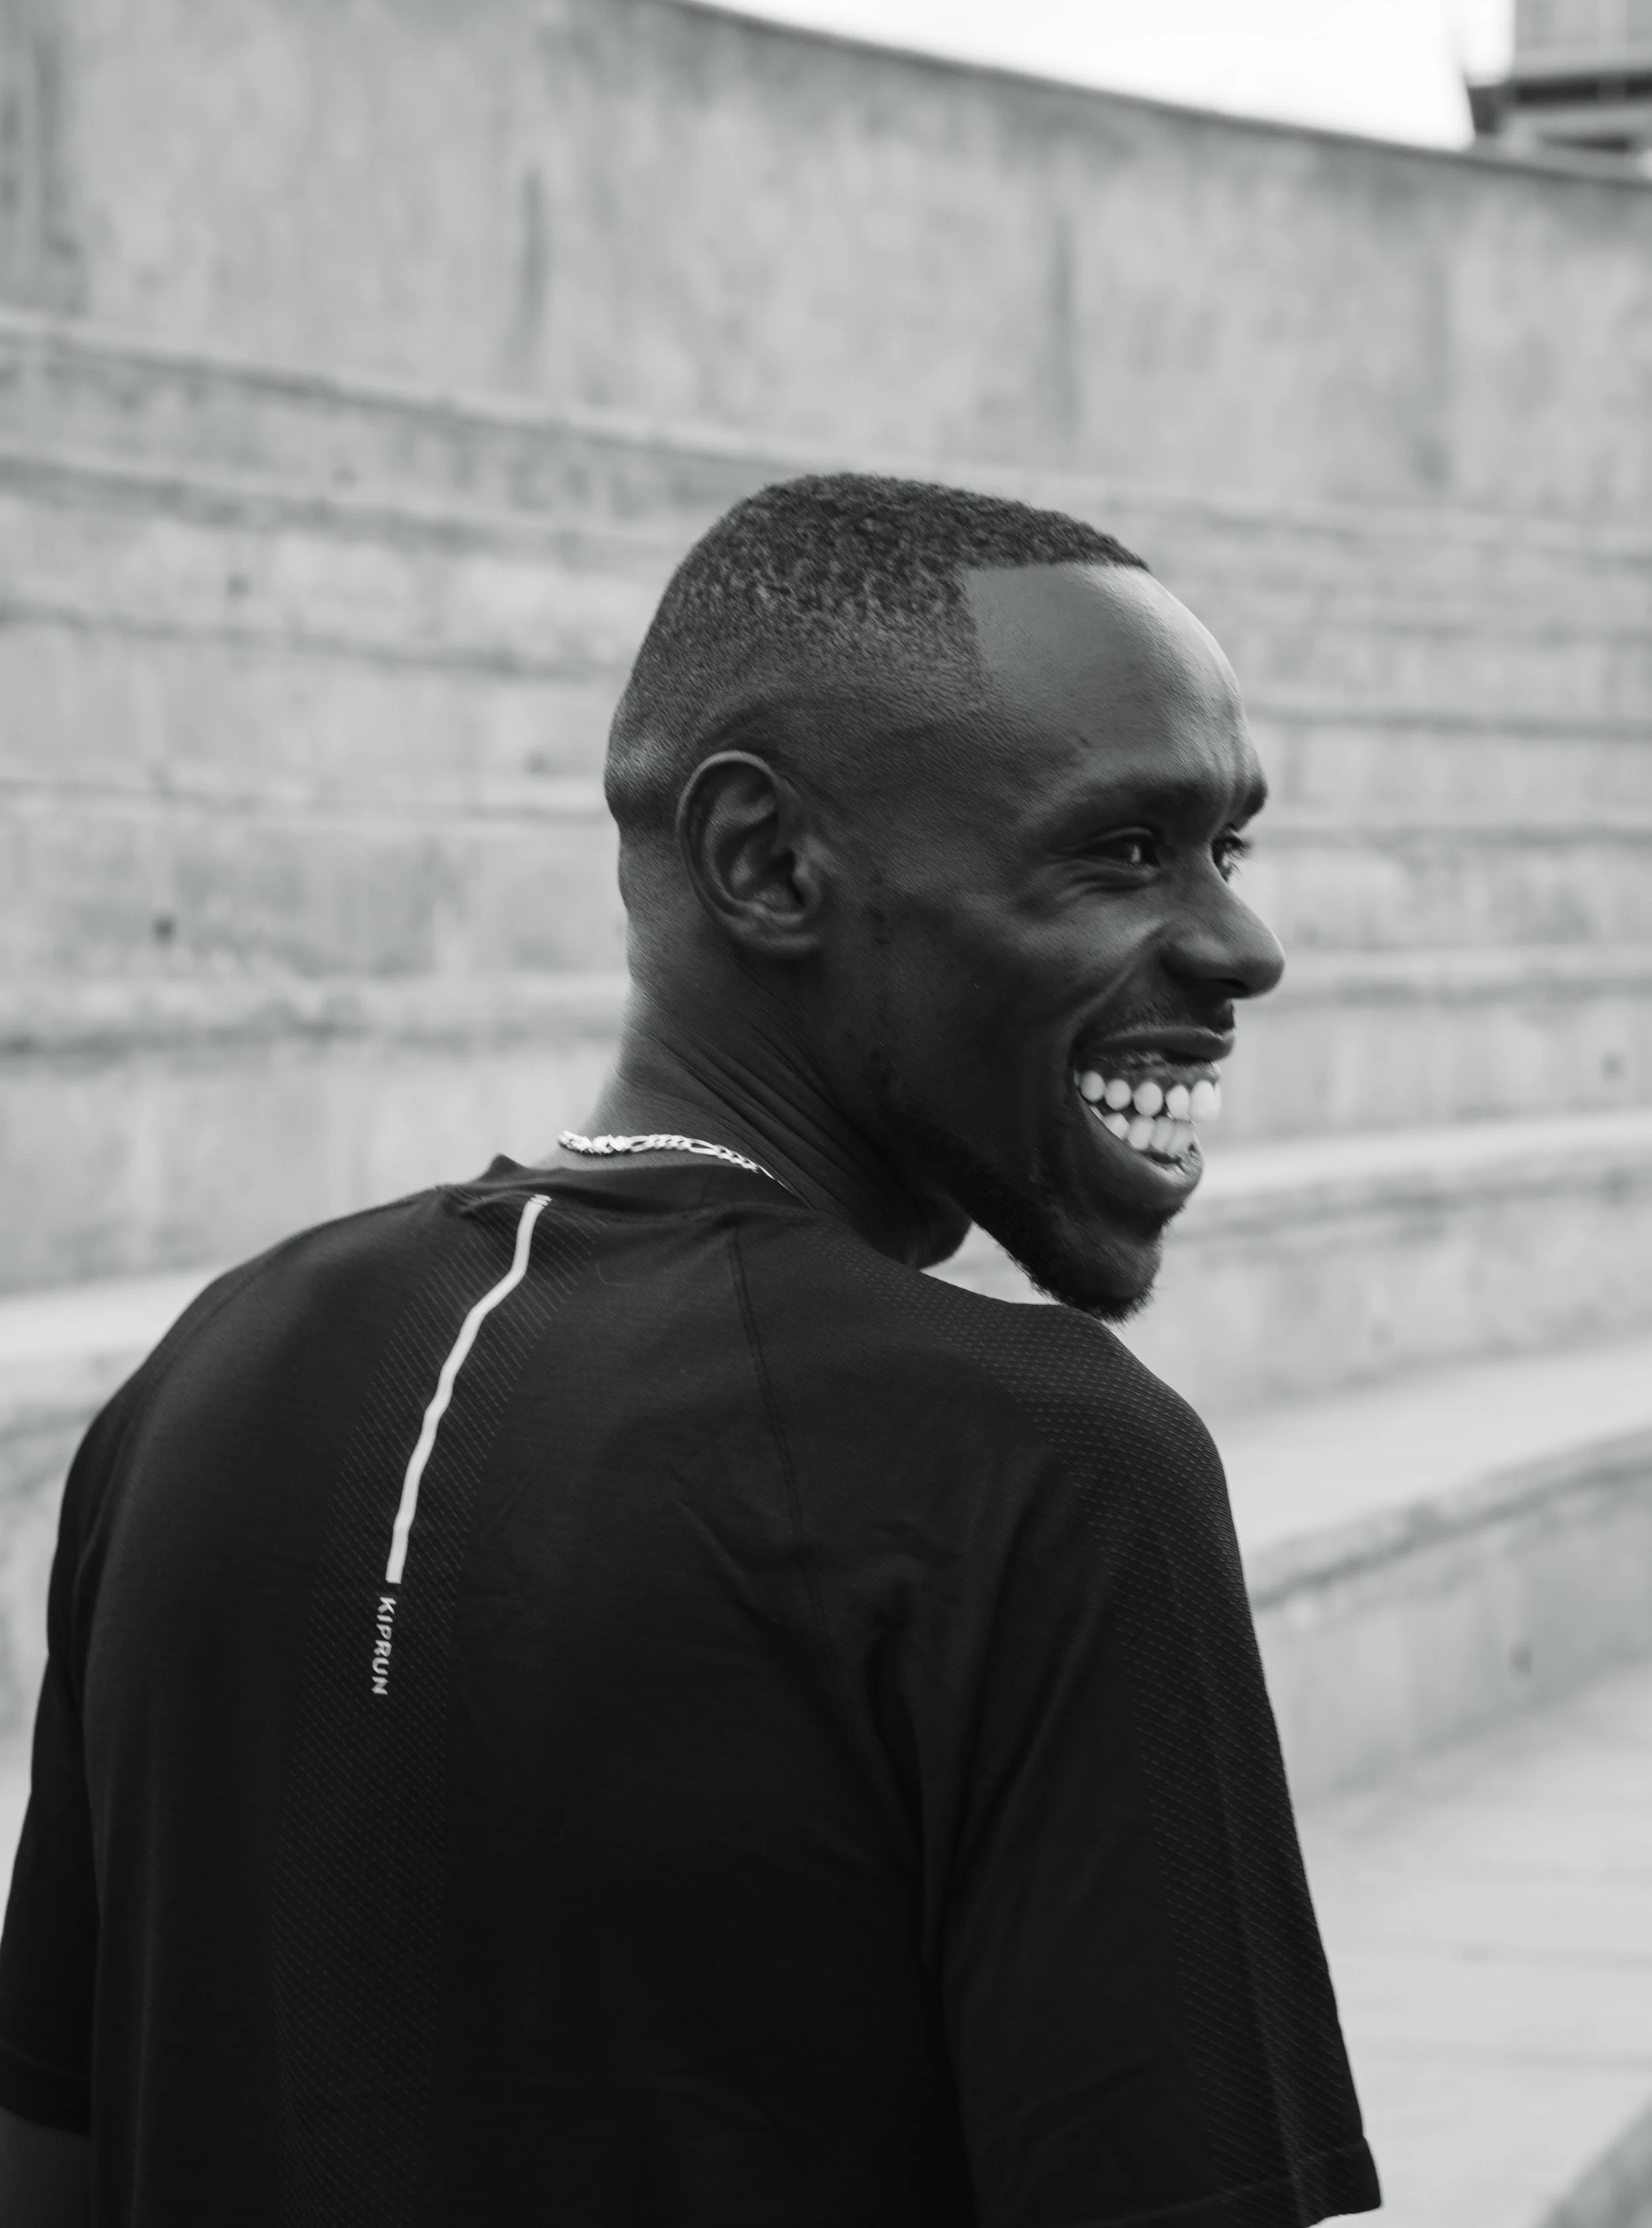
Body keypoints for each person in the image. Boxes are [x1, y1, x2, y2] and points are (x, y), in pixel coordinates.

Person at [0, 474, 1380, 2227]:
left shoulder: (208, 1376)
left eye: (1225, 847)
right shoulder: (1039, 1468)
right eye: (1119, 848)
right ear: (764, 861)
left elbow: (48, 2163)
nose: (1239, 942)